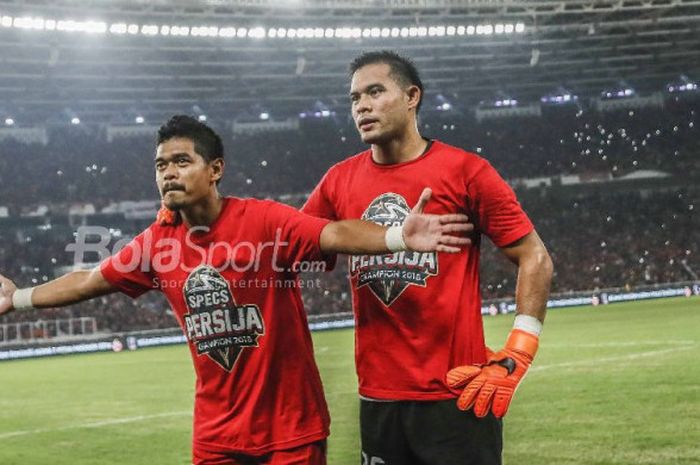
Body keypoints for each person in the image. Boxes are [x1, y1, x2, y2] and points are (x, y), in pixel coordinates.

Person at [0, 115, 472, 465]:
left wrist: (394, 238)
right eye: (161, 164)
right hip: (216, 436)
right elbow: (89, 280)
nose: (168, 172)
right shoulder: (156, 243)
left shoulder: (263, 220)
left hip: (291, 432)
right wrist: (17, 297)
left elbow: (331, 234)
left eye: (182, 161)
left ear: (215, 169)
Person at [302, 51, 554, 464]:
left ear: (411, 96)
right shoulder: (338, 180)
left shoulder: (466, 171)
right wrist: (191, 214)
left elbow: (534, 257)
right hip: (378, 399)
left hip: (457, 395)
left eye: (375, 91)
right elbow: (289, 247)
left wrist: (519, 350)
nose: (362, 105)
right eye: (354, 98)